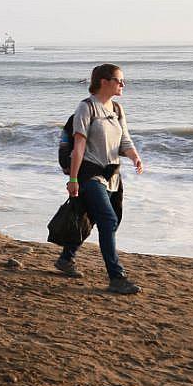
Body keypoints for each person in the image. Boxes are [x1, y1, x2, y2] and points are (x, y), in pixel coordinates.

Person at [56, 63, 145, 294]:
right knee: (108, 220)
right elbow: (79, 145)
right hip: (89, 173)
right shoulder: (86, 108)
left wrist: (135, 157)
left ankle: (66, 258)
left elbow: (124, 140)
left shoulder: (117, 109)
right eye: (119, 80)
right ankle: (117, 278)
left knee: (94, 217)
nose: (123, 84)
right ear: (104, 82)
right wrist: (73, 180)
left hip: (112, 174)